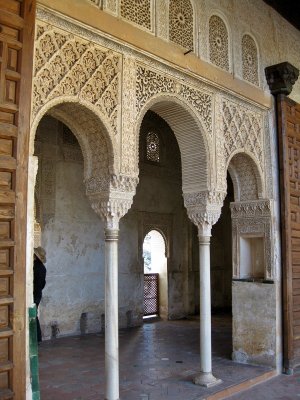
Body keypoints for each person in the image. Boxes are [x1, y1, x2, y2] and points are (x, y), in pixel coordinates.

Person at [33, 247, 47, 343]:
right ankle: (38, 338)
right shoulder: (42, 267)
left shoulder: (36, 267)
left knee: (33, 315)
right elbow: (43, 283)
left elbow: (38, 283)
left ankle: (37, 338)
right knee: (34, 315)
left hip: (35, 294)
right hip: (38, 294)